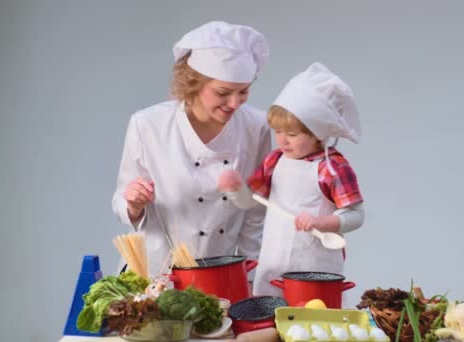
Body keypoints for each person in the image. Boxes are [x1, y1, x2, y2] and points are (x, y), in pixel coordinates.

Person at [111, 21, 271, 277]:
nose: (234, 103)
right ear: (194, 83)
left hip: (223, 275)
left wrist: (252, 278)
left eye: (244, 92)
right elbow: (122, 202)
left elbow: (255, 213)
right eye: (223, 92)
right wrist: (133, 203)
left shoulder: (256, 126)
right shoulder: (148, 125)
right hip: (155, 275)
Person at [218, 62, 364, 296]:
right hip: (273, 261)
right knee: (270, 315)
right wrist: (235, 189)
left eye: (292, 134)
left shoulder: (332, 167)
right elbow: (251, 202)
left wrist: (321, 223)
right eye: (278, 131)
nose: (282, 141)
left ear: (318, 134)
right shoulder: (274, 161)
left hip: (315, 268)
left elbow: (356, 216)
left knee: (311, 321)